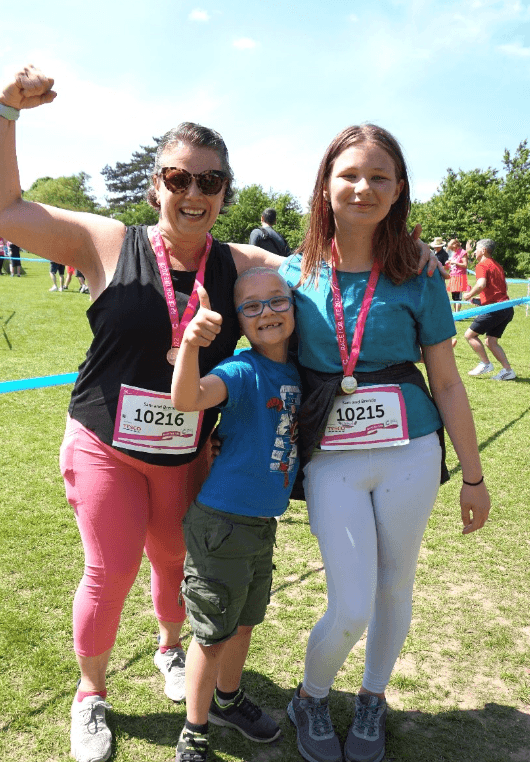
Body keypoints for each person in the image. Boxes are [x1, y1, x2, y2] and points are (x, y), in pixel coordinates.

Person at [0, 64, 291, 762]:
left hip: (187, 451)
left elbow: (323, 276)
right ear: (156, 184)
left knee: (175, 559)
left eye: (208, 181)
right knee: (110, 569)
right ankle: (90, 693)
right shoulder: (108, 243)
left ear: (224, 193)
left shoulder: (241, 266)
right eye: (178, 177)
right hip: (103, 443)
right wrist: (4, 109)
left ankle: (170, 648)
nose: (192, 192)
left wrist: (405, 254)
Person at [279, 124, 490, 762]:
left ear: (398, 189)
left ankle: (373, 696)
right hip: (332, 458)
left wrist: (475, 479)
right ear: (325, 184)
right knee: (349, 603)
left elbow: (448, 383)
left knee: (396, 584)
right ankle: (310, 698)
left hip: (410, 450)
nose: (363, 187)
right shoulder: (290, 274)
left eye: (379, 176)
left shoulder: (420, 274)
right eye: (349, 174)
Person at [170, 268, 300, 762]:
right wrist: (191, 344)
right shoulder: (242, 370)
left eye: (276, 301)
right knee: (210, 635)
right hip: (221, 524)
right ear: (239, 322)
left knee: (244, 623)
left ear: (294, 306)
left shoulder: (301, 370)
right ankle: (195, 730)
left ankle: (228, 700)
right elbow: (187, 399)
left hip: (261, 524)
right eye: (251, 306)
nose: (266, 312)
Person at [462, 239, 516, 380]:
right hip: (506, 308)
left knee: (470, 335)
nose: (474, 252)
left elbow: (481, 284)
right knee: (491, 341)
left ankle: (485, 363)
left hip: (495, 309)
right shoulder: (497, 265)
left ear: (484, 250)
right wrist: (478, 300)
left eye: (477, 249)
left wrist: (468, 294)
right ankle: (508, 371)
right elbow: (502, 288)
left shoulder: (482, 265)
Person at [446, 238, 468, 311]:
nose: (452, 250)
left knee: (458, 296)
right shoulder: (455, 253)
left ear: (455, 245)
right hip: (453, 276)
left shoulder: (463, 253)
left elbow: (465, 265)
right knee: (454, 296)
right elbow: (453, 265)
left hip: (460, 276)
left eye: (452, 248)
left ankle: (457, 313)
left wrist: (455, 263)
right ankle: (456, 313)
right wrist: (449, 263)